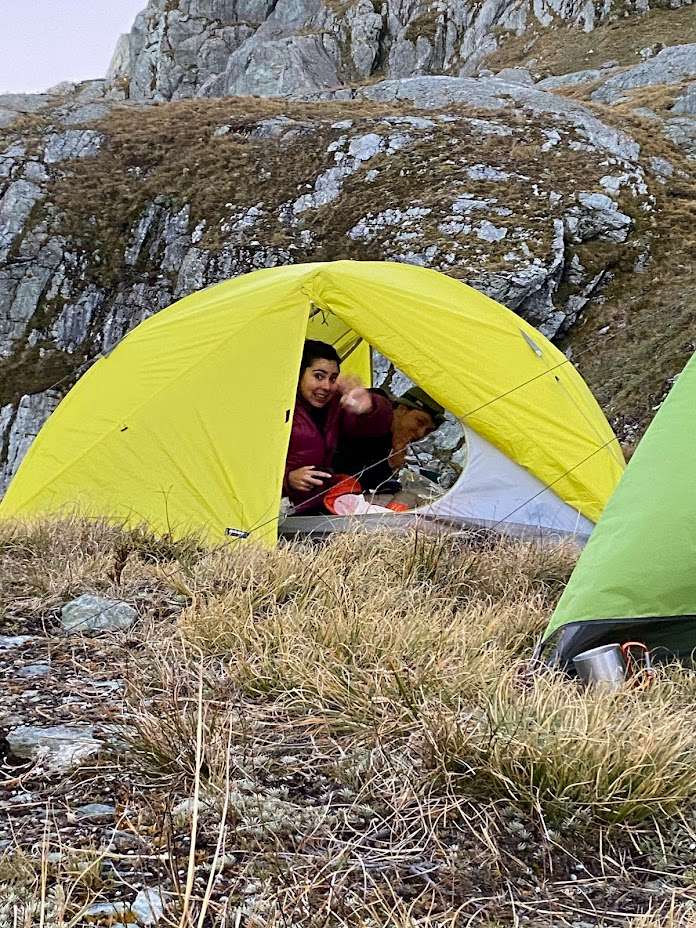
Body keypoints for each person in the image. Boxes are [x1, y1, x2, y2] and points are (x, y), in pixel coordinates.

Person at [284, 340, 393, 513]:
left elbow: (376, 428)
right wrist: (287, 478)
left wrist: (370, 407)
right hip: (273, 508)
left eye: (333, 378)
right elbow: (250, 459)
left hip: (316, 505)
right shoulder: (278, 405)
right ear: (298, 373)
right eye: (319, 376)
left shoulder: (336, 404)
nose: (327, 386)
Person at [333, 386, 446, 493]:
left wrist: (390, 464)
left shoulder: (389, 438)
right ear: (402, 409)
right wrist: (389, 464)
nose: (420, 433)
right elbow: (340, 474)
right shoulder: (369, 414)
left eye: (428, 431)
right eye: (419, 422)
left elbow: (363, 479)